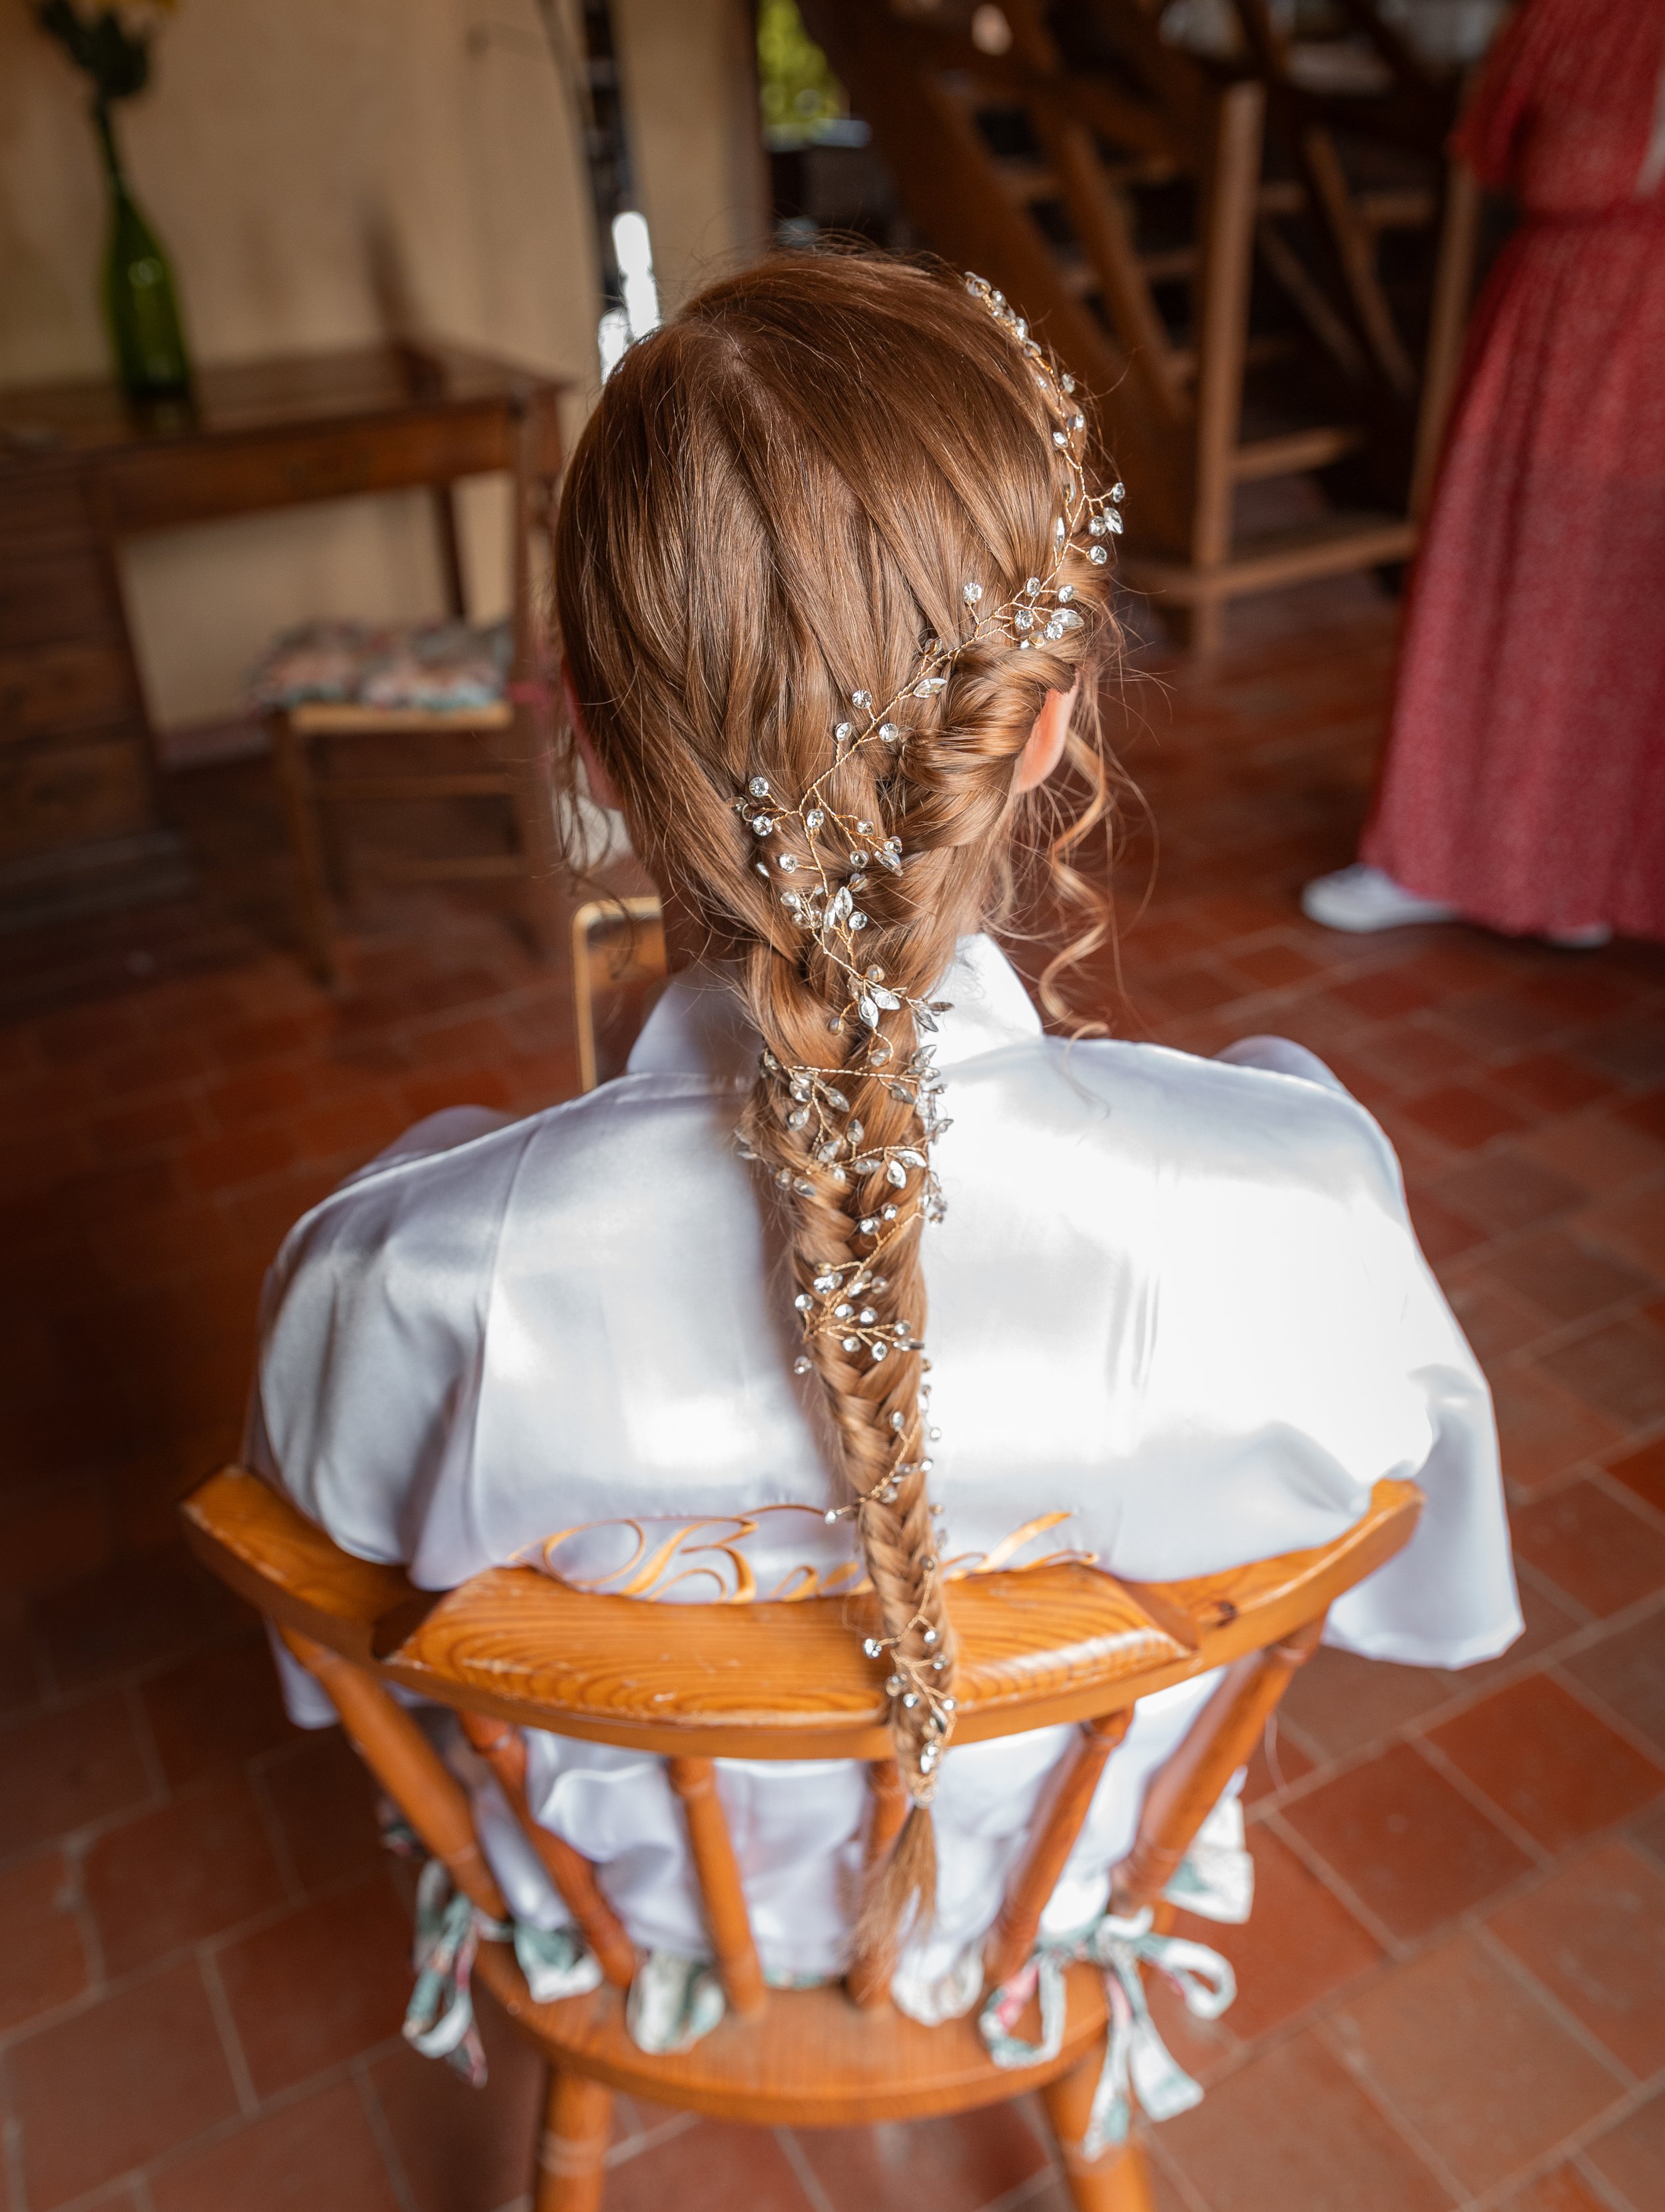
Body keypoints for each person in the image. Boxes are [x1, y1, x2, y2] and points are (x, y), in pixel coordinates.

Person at [252, 255, 1520, 2024]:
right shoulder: (1283, 1206)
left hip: (636, 1914)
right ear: (1047, 718)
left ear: (599, 752)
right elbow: (1411, 1502)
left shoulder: (403, 1272)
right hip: (1058, 1879)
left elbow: (334, 1620)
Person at [1303, 0, 1665, 949]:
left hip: (1640, 351)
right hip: (1559, 328)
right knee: (1495, 583)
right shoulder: (1576, 15)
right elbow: (1534, 161)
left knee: (1629, 619)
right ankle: (1433, 849)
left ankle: (1580, 868)